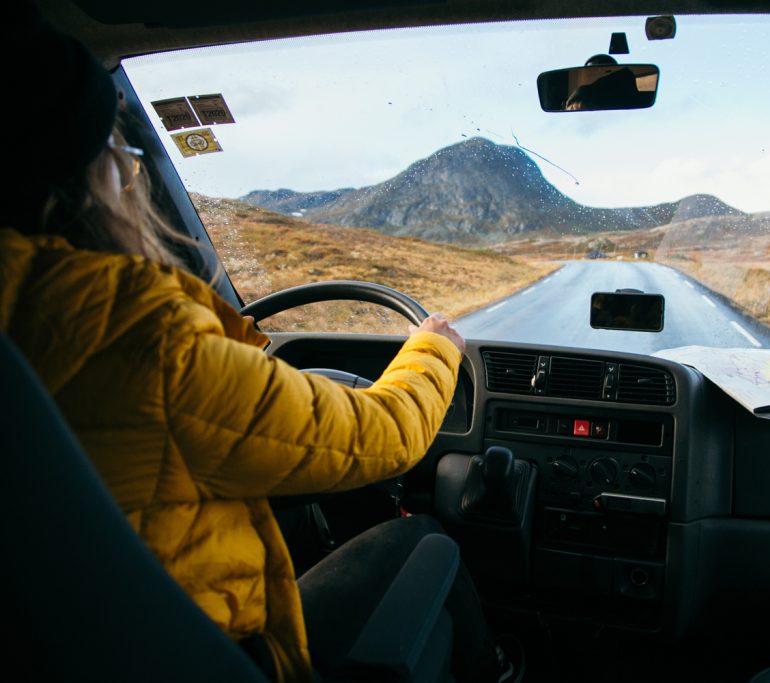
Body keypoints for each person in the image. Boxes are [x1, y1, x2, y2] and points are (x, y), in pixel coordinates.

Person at [0, 10, 519, 683]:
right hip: (216, 648)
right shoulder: (143, 334)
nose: (130, 177)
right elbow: (383, 433)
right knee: (422, 540)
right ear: (79, 172)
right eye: (123, 159)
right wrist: (432, 346)